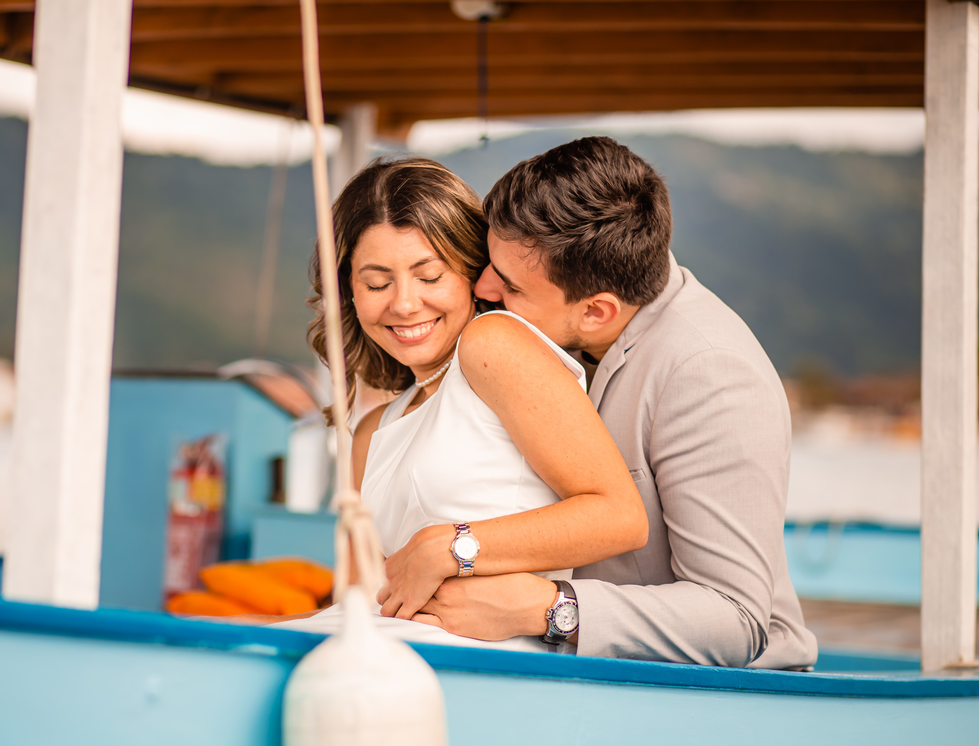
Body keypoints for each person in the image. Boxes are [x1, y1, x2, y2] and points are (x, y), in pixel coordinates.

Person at [401, 137, 817, 669]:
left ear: (597, 311)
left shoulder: (712, 374)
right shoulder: (573, 323)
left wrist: (548, 609)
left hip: (710, 700)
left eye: (510, 285)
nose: (482, 287)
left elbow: (736, 620)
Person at [272, 154, 648, 651]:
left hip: (488, 662)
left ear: (473, 274)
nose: (404, 303)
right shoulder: (371, 432)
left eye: (430, 277)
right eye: (377, 283)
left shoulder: (491, 343)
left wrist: (451, 548)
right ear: (349, 293)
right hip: (384, 653)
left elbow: (620, 517)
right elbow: (371, 604)